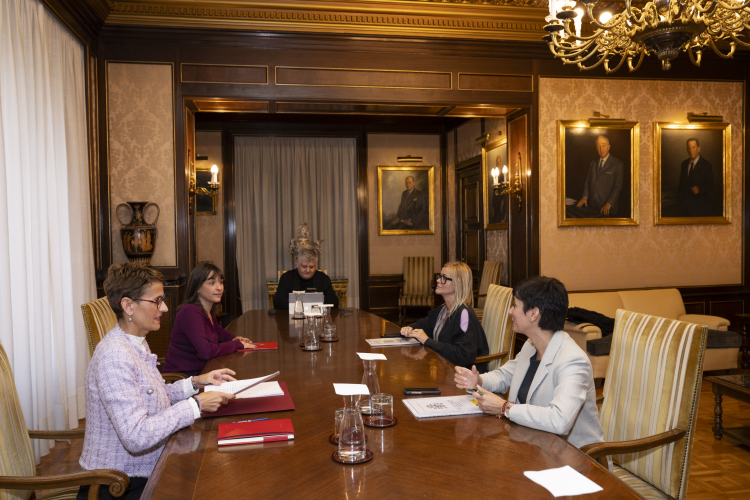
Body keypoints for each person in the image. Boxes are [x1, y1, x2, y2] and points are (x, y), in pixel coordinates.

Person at [78, 263, 236, 500]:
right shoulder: (115, 356)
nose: (164, 308)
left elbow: (155, 394)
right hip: (118, 485)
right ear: (128, 305)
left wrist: (196, 382)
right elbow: (136, 437)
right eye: (156, 301)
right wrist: (196, 405)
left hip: (146, 470)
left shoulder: (135, 342)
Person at [453, 276, 604, 449]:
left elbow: (560, 420)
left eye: (515, 305)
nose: (510, 311)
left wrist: (505, 408)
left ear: (533, 314)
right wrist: (478, 381)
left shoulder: (573, 360)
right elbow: (505, 376)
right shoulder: (531, 345)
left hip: (574, 458)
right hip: (532, 444)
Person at [163, 263, 254, 376]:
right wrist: (236, 345)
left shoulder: (207, 310)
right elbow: (206, 352)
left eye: (220, 282)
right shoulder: (190, 311)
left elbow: (217, 331)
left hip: (203, 374)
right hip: (182, 380)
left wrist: (234, 339)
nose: (219, 287)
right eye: (212, 283)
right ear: (197, 288)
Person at [400, 262, 490, 370]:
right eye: (440, 276)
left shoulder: (464, 314)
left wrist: (427, 340)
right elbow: (422, 325)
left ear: (458, 284)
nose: (438, 280)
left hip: (465, 378)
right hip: (445, 369)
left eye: (444, 278)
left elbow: (463, 355)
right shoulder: (442, 310)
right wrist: (407, 329)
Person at [570, 135, 623, 218]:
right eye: (598, 146)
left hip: (608, 209)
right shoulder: (593, 162)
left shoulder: (617, 164)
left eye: (603, 145)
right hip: (592, 207)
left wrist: (609, 203)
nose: (601, 149)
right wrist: (585, 197)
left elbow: (618, 187)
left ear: (609, 147)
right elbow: (588, 182)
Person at [273, 248, 339, 309]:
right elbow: (277, 302)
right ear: (297, 263)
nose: (308, 270)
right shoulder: (286, 278)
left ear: (316, 265)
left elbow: (335, 302)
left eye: (311, 267)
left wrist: (319, 298)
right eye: (304, 266)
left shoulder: (323, 278)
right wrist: (301, 301)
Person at [676, 137, 714, 217]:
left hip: (699, 208)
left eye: (693, 148)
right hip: (684, 208)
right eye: (689, 148)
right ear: (687, 150)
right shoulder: (684, 164)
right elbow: (681, 185)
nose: (691, 150)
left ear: (698, 149)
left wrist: (700, 189)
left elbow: (711, 185)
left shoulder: (706, 165)